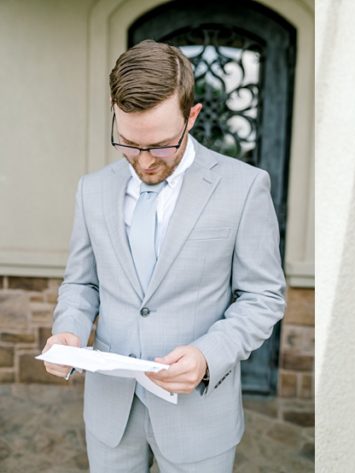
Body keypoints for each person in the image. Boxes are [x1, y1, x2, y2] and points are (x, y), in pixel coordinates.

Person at [40, 40, 286, 472]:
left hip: (199, 418)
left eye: (159, 146)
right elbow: (82, 283)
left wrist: (209, 355)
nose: (144, 161)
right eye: (129, 143)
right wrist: (69, 332)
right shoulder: (92, 189)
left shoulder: (244, 187)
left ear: (191, 116)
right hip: (110, 415)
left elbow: (263, 296)